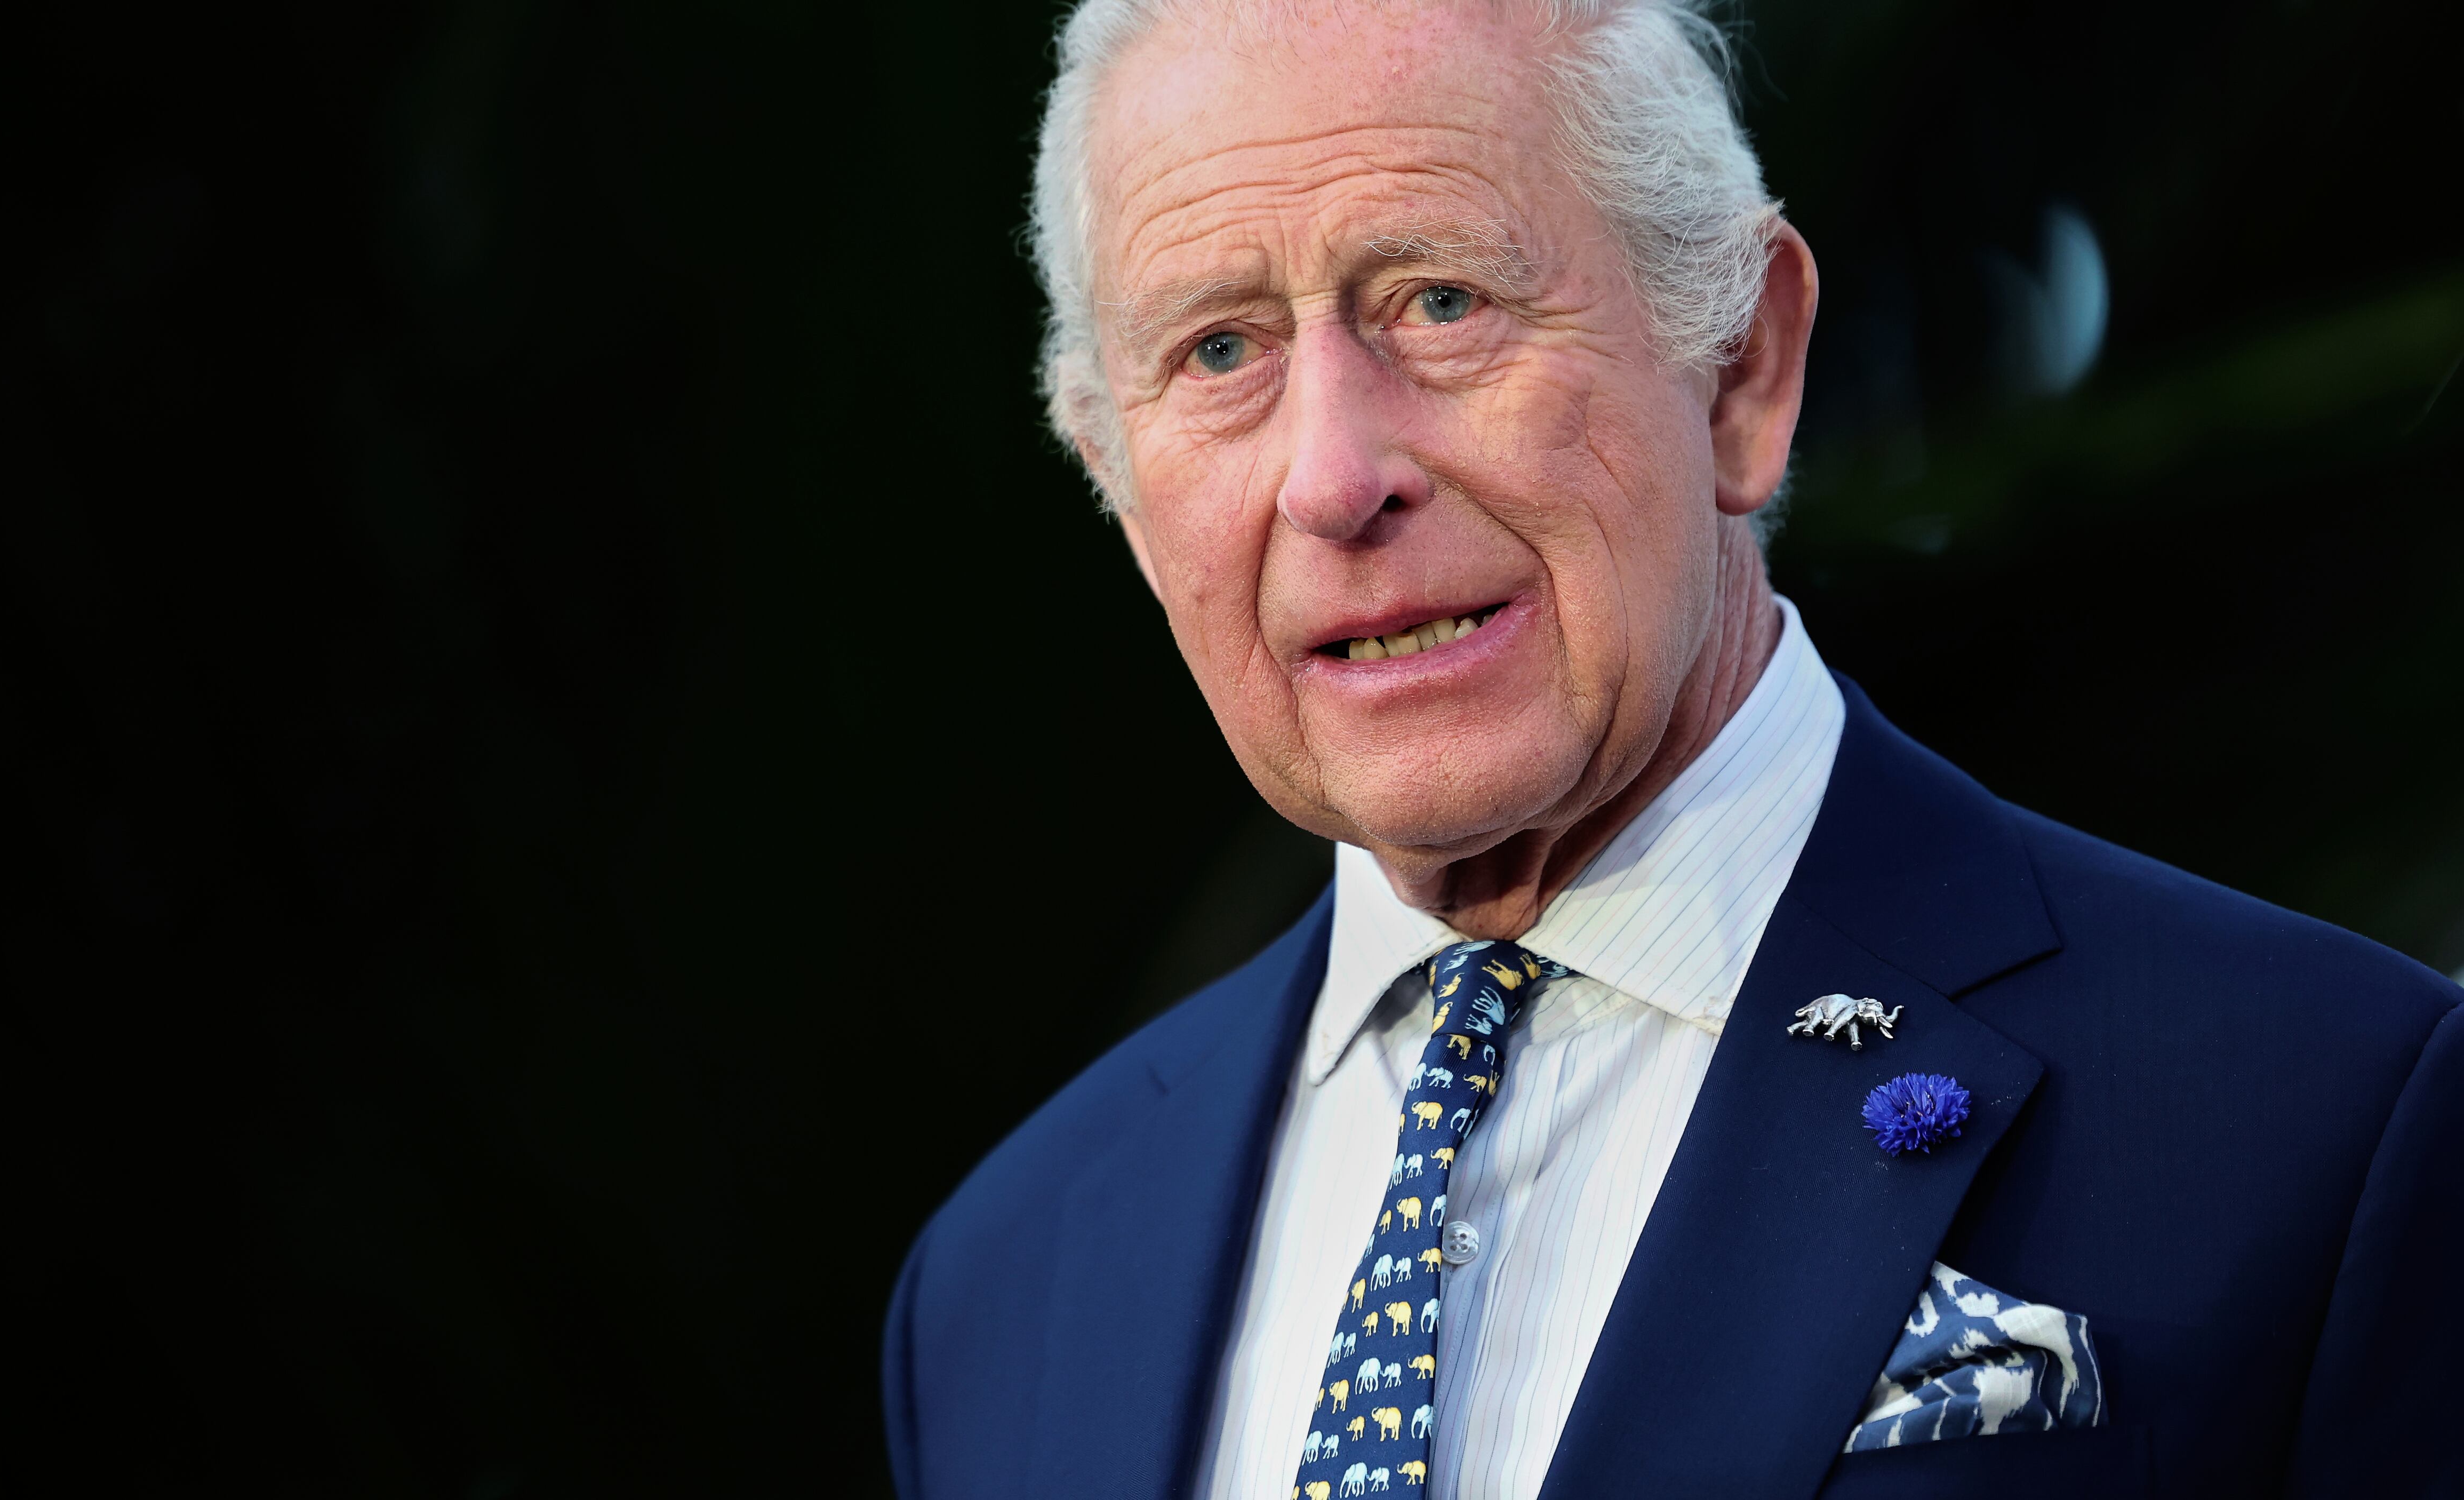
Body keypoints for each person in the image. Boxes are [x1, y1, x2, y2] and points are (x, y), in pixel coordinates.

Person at [881, 2, 2462, 1495]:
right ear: (1120, 488)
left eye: (1442, 300)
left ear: (1744, 367)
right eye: (1220, 353)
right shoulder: (1002, 1285)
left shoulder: (2323, 1119)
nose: (1335, 479)